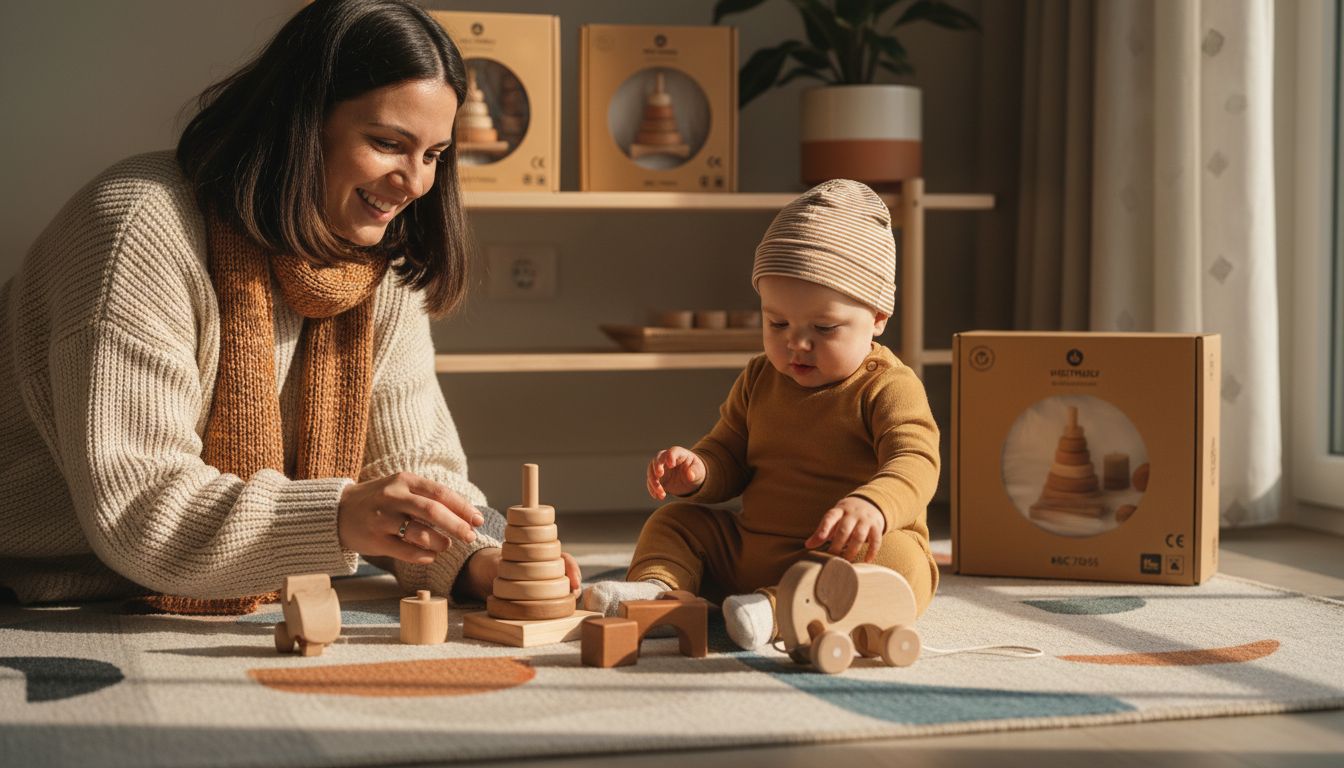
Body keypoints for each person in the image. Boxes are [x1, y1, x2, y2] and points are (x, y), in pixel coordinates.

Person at [0, 0, 578, 613]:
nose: (415, 182)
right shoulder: (137, 227)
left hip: (141, 584)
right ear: (300, 123)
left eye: (434, 154)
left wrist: (476, 557)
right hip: (40, 574)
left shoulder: (377, 260)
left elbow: (411, 466)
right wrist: (339, 515)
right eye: (387, 142)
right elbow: (140, 505)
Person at [581, 179, 940, 649]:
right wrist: (700, 470)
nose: (796, 343)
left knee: (899, 562)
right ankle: (660, 592)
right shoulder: (759, 378)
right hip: (753, 550)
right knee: (677, 521)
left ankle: (778, 610)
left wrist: (874, 504)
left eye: (824, 327)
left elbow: (916, 463)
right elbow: (730, 451)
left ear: (877, 317)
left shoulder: (888, 386)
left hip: (842, 558)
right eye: (777, 323)